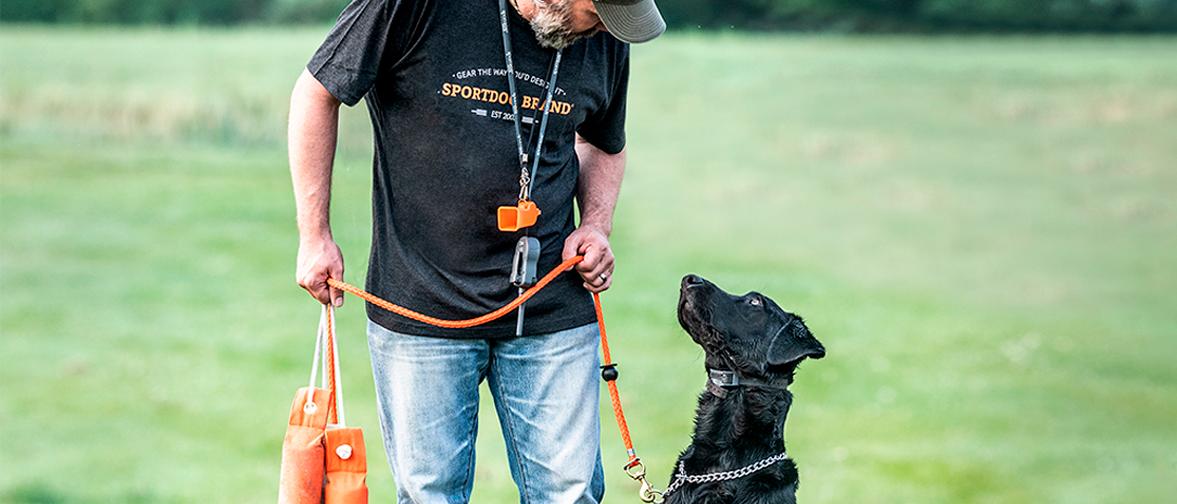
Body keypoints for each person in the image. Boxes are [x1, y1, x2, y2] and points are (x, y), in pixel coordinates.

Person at [287, 0, 664, 501]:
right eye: (595, 13)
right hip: (422, 305)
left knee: (570, 492)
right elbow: (316, 93)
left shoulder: (603, 33)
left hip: (552, 305)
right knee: (430, 493)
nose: (601, 29)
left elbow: (603, 141)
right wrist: (314, 236)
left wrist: (596, 226)